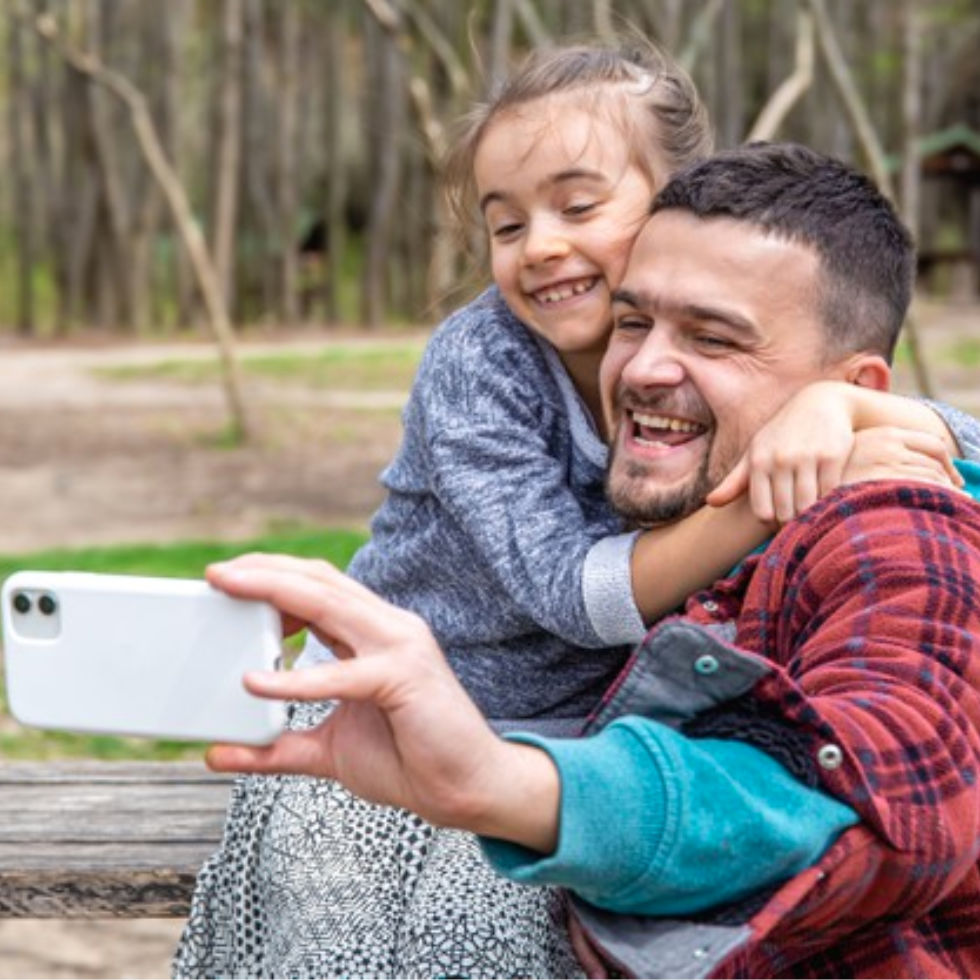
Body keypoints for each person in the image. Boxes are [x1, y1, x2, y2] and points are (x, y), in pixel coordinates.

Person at [175, 38, 979, 976]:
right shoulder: (483, 361)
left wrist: (847, 408)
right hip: (384, 709)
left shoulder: (820, 442)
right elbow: (569, 591)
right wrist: (762, 496)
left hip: (555, 744)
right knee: (329, 932)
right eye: (505, 224)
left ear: (672, 205)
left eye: (579, 205)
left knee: (491, 923)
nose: (540, 245)